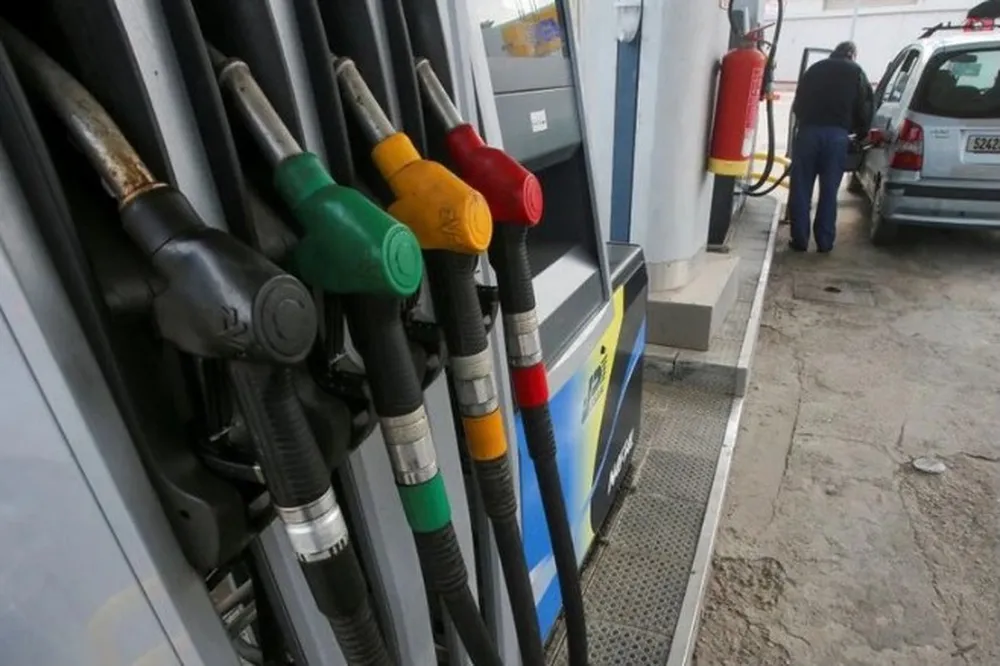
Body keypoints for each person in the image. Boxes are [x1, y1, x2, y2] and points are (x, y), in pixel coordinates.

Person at [788, 41, 873, 253]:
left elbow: (797, 105)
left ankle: (799, 240)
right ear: (852, 54)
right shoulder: (857, 72)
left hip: (808, 133)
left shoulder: (814, 70)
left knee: (801, 189)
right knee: (829, 192)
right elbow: (865, 107)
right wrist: (861, 133)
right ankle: (824, 243)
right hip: (836, 137)